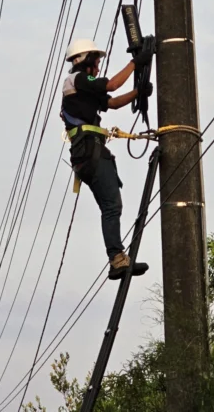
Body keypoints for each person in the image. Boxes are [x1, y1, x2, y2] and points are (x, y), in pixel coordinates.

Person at [60, 37, 154, 280]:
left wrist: (137, 92)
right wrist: (136, 62)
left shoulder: (84, 89)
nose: (99, 67)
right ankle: (117, 258)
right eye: (97, 62)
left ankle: (117, 257)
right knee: (112, 206)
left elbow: (111, 103)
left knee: (111, 206)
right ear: (85, 61)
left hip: (88, 154)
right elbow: (112, 85)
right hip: (91, 153)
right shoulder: (77, 79)